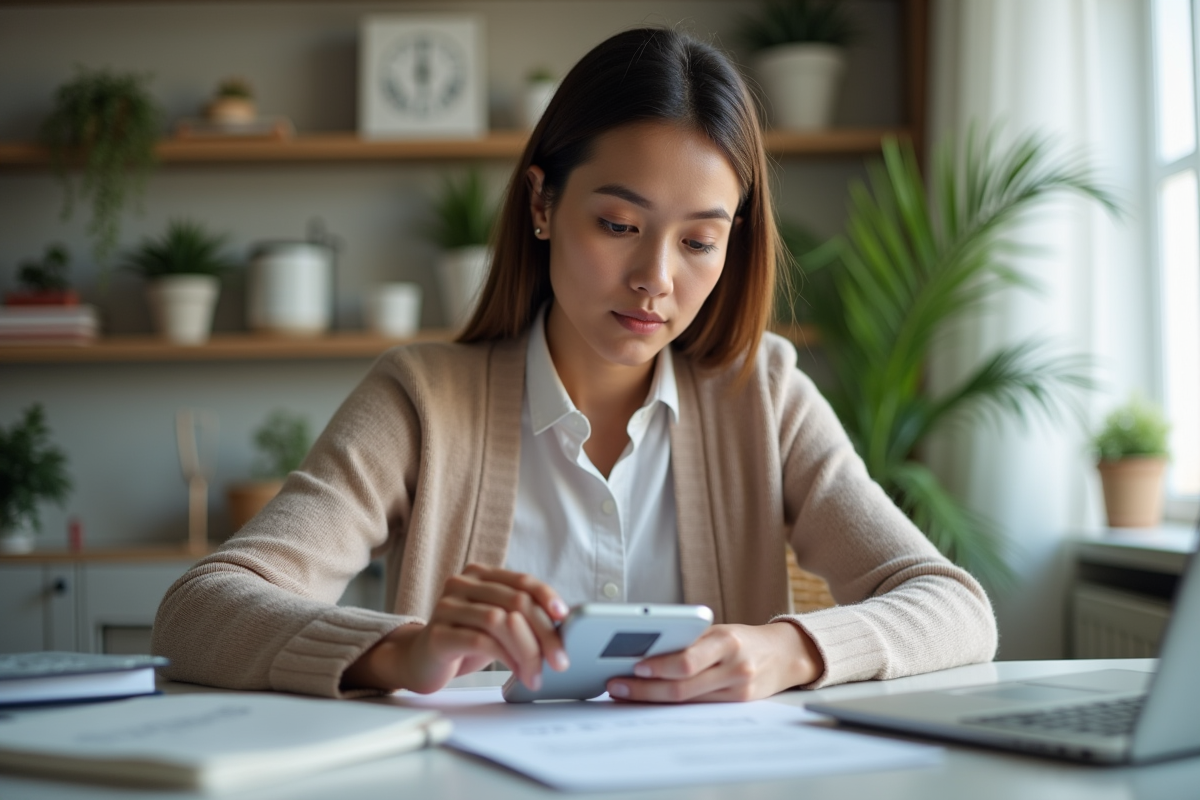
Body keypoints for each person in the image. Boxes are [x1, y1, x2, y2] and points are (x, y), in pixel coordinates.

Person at [152, 28, 997, 703]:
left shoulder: (764, 393)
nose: (656, 281)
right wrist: (403, 652)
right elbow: (198, 611)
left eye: (700, 241)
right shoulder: (420, 398)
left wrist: (786, 650)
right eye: (620, 225)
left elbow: (956, 606)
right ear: (542, 204)